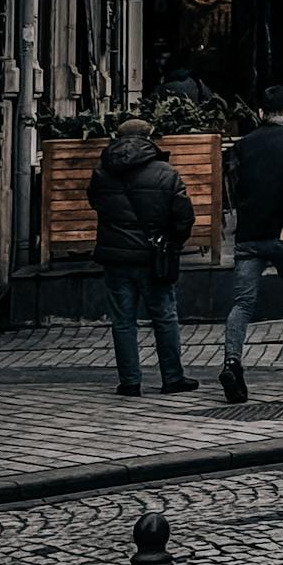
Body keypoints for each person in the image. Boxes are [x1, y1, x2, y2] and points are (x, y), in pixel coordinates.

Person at [220, 85, 283, 403]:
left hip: (249, 232)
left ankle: (232, 363)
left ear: (260, 112)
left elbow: (235, 183)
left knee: (242, 303)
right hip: (281, 233)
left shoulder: (245, 144)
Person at [87, 116, 197, 397]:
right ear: (150, 137)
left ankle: (130, 382)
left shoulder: (102, 171)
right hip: (152, 256)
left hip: (115, 258)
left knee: (123, 321)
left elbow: (95, 203)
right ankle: (172, 377)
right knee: (164, 316)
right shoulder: (165, 172)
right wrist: (172, 243)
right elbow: (184, 217)